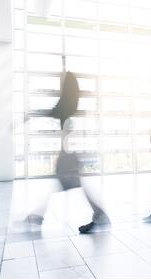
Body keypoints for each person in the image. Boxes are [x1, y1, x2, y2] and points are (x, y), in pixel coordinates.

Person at [25, 72, 110, 233]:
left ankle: (38, 216)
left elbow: (53, 113)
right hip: (68, 154)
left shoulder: (64, 105)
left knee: (59, 185)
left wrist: (29, 115)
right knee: (65, 185)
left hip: (66, 155)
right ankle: (99, 214)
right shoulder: (70, 104)